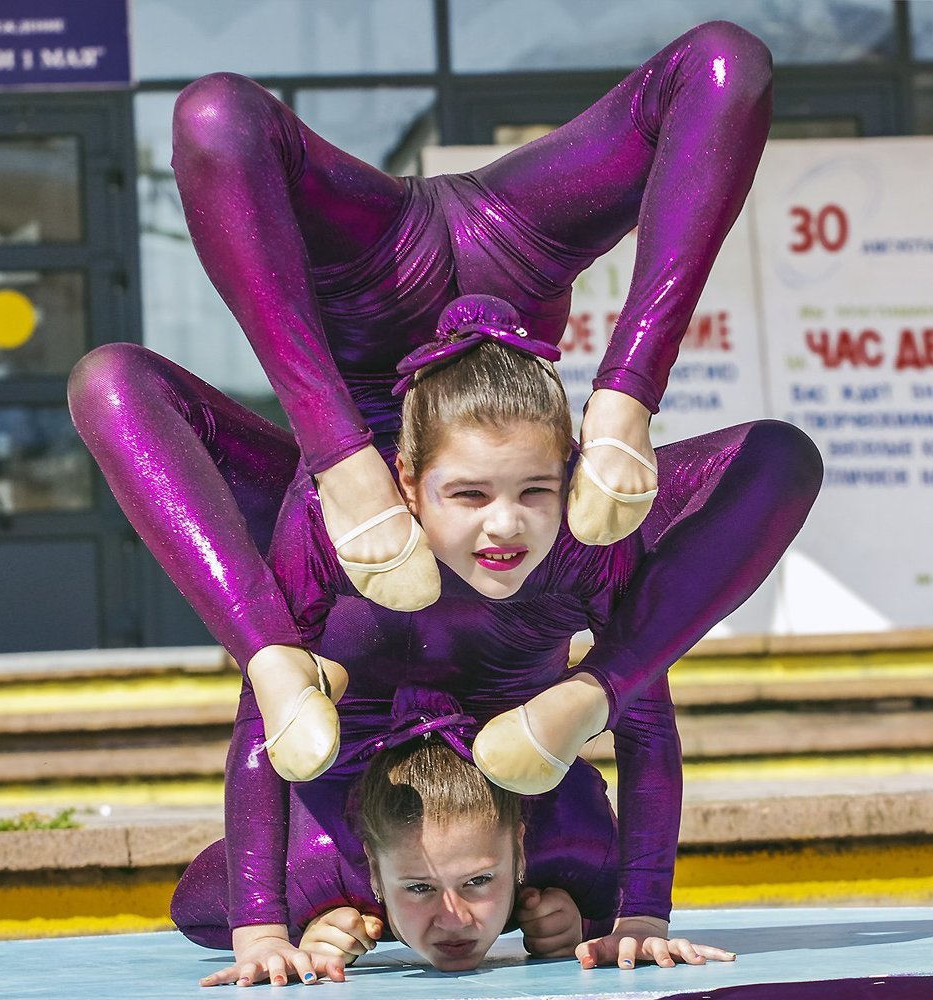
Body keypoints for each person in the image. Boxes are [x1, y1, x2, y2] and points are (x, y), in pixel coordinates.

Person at [68, 297, 822, 988]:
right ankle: (268, 649)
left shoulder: (585, 543)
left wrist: (632, 920)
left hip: (519, 768)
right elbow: (250, 758)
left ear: (569, 480)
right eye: (467, 496)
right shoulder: (344, 530)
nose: (504, 526)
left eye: (536, 491)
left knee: (784, 454)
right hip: (352, 782)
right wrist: (267, 927)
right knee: (110, 378)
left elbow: (649, 726)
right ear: (403, 483)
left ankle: (592, 689)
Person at [169, 20, 774, 613]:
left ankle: (351, 460)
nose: (502, 530)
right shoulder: (558, 556)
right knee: (726, 58)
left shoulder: (354, 542)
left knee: (215, 115)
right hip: (511, 254)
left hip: (377, 273)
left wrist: (338, 455)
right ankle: (348, 461)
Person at [173, 688, 736, 984]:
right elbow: (190, 908)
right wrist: (295, 925)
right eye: (417, 888)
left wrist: (589, 923)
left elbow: (628, 914)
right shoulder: (320, 861)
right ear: (371, 868)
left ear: (521, 850)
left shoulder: (574, 844)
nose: (454, 919)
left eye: (479, 881)